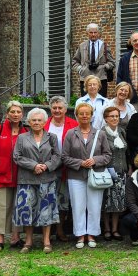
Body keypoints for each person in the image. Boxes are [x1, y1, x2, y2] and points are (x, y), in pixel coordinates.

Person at [62, 102, 112, 249]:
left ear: (91, 116)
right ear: (76, 116)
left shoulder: (100, 133)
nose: (84, 116)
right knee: (78, 206)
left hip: (95, 175)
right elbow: (64, 156)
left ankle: (92, 234)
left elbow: (108, 155)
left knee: (94, 205)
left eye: (87, 113)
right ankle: (80, 235)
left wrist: (95, 160)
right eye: (81, 113)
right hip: (76, 175)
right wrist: (80, 163)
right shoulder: (71, 133)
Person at [12, 108, 61, 254]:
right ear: (28, 122)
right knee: (27, 210)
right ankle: (28, 241)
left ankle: (46, 241)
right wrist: (33, 165)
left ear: (45, 122)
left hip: (47, 178)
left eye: (39, 120)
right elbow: (17, 156)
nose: (36, 122)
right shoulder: (22, 138)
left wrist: (46, 166)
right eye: (33, 120)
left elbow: (58, 156)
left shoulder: (52, 137)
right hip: (27, 178)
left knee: (46, 210)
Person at [0, 101, 27, 252]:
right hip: (1, 176)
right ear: (7, 114)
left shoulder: (26, 132)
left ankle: (15, 237)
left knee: (18, 207)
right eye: (12, 112)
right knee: (2, 207)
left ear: (22, 114)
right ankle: (0, 239)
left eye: (18, 112)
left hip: (21, 177)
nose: (15, 114)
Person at [44, 96, 78, 242]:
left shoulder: (73, 124)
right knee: (48, 199)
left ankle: (60, 229)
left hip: (66, 168)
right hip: (48, 168)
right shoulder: (44, 124)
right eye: (54, 108)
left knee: (63, 200)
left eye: (60, 108)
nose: (57, 111)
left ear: (65, 109)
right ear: (50, 109)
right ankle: (48, 232)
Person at [101, 107, 129, 242]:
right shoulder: (102, 133)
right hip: (106, 172)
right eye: (111, 116)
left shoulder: (122, 132)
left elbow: (125, 152)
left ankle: (115, 229)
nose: (114, 118)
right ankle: (106, 229)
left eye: (116, 116)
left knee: (118, 202)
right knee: (106, 202)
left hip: (121, 172)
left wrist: (128, 168)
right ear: (106, 118)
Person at [71, 23, 115, 97]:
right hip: (85, 79)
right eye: (91, 32)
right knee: (86, 102)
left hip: (101, 79)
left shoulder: (104, 45)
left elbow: (112, 62)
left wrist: (104, 67)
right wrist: (81, 69)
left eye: (95, 32)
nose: (93, 34)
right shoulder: (82, 46)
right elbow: (74, 61)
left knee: (101, 102)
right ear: (87, 33)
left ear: (98, 33)